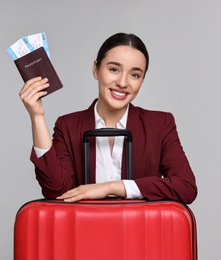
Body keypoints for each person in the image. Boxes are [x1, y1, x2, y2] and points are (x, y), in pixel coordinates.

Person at [19, 33, 197, 203]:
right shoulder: (67, 126)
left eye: (135, 75)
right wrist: (37, 116)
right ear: (96, 70)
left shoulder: (160, 124)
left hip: (141, 232)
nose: (122, 82)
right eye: (114, 69)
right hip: (85, 231)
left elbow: (186, 187)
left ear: (142, 80)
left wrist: (113, 187)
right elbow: (57, 191)